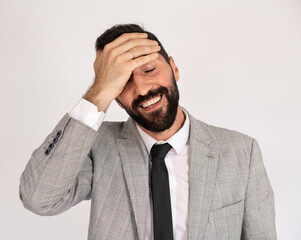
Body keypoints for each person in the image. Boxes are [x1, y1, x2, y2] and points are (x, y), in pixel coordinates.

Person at [19, 24, 276, 240]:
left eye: (150, 70)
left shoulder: (243, 152)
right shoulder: (96, 146)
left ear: (174, 68)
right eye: (124, 81)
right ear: (116, 98)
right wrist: (99, 90)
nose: (142, 88)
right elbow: (39, 199)